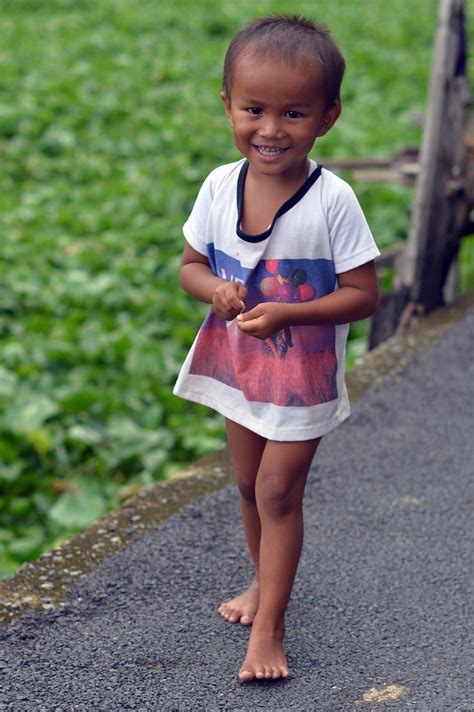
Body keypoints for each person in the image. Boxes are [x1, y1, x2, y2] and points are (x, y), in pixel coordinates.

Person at [173, 14, 380, 682]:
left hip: (302, 374)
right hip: (239, 364)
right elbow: (189, 266)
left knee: (277, 491)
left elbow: (363, 294)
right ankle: (263, 582)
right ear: (227, 105)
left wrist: (292, 310)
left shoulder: (333, 200)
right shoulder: (215, 186)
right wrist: (217, 292)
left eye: (293, 113)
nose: (270, 130)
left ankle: (270, 628)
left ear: (328, 117)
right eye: (254, 109)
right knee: (244, 483)